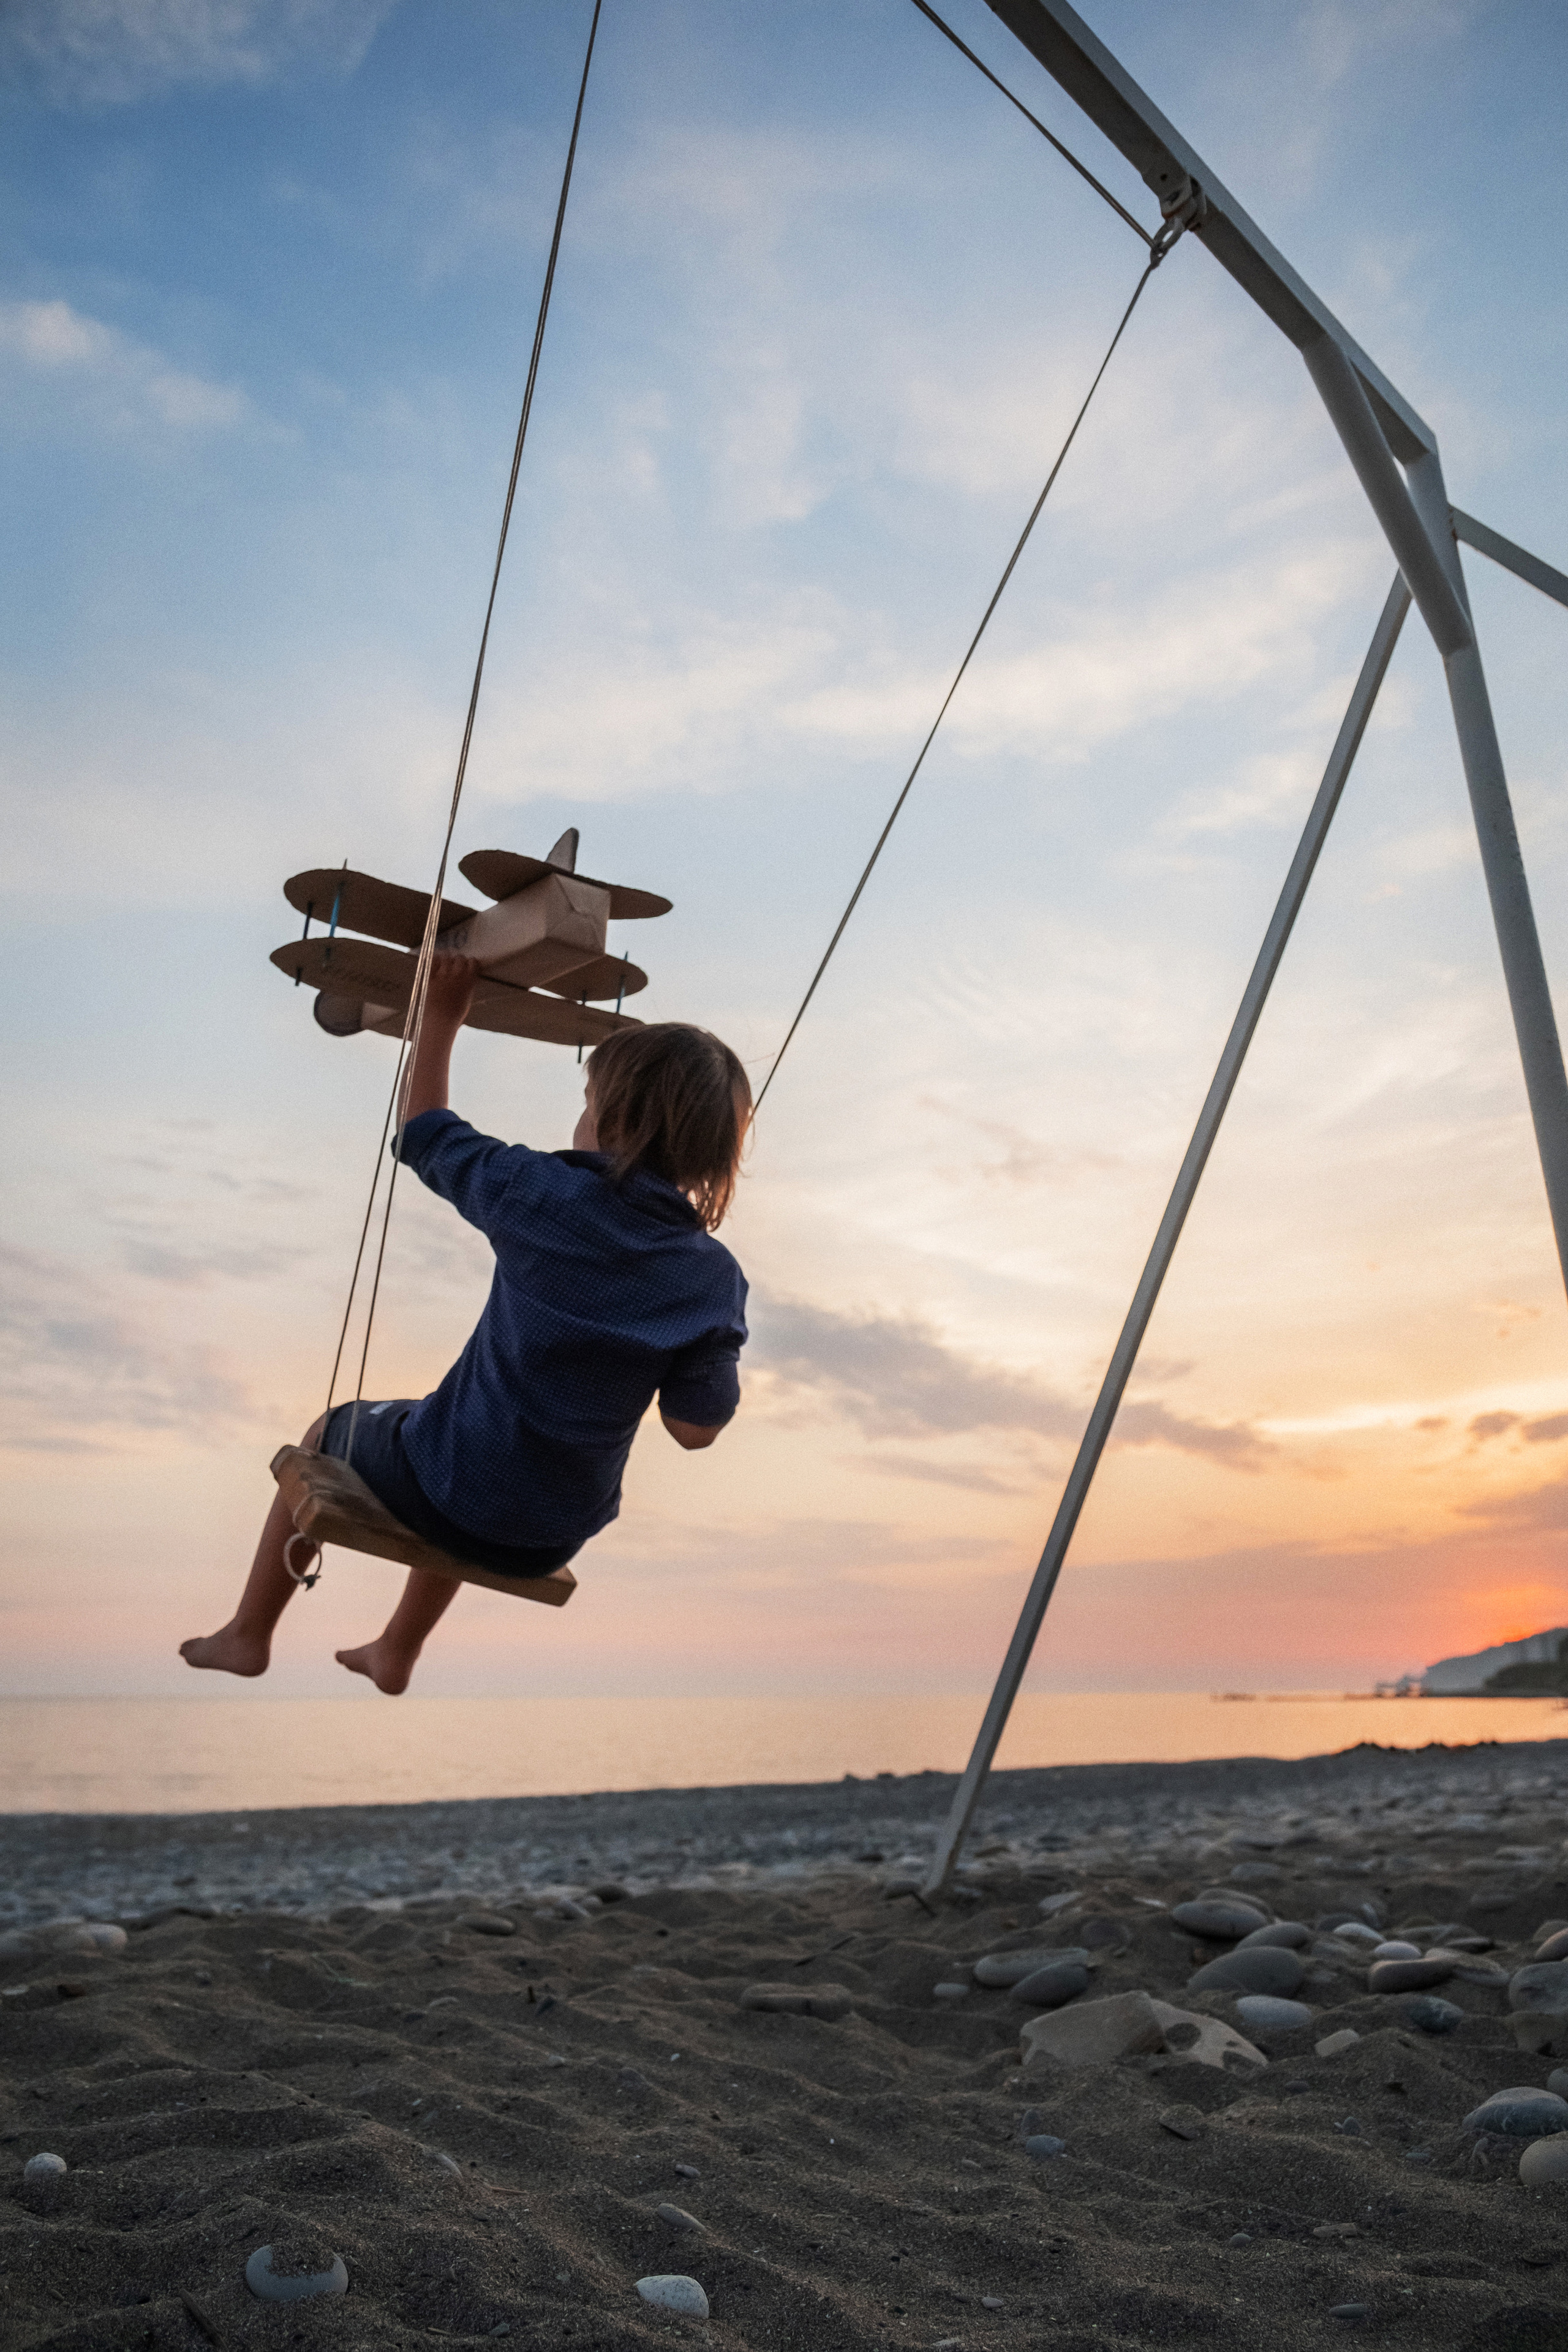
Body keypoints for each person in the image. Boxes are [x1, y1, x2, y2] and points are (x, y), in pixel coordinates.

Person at [181, 951, 750, 1692]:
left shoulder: (538, 1194)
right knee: (455, 1443)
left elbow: (424, 1134)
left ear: (611, 1120)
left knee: (334, 1433)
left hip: (451, 1490)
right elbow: (694, 1429)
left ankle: (247, 1634)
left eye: (588, 1103)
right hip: (548, 1537)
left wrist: (441, 1023)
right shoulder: (712, 1277)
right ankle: (396, 1652)